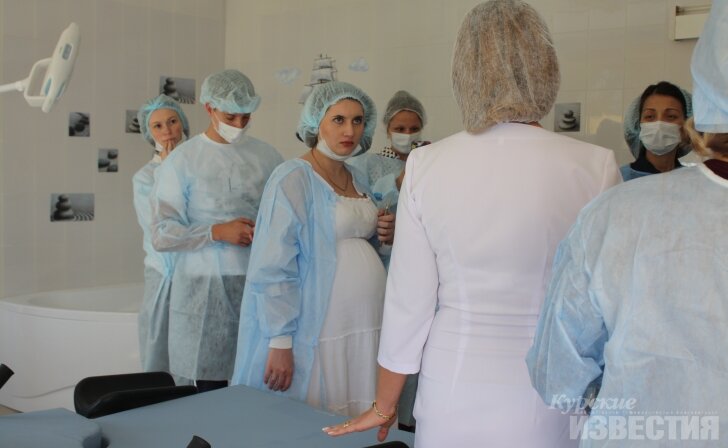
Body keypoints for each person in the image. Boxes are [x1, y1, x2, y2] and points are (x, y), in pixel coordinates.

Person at [324, 1, 621, 447]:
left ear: (464, 71)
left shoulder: (427, 164)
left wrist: (384, 406)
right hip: (551, 387)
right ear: (545, 67)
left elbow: (409, 302)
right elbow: (608, 305)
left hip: (452, 383)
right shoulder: (594, 167)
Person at [526, 2, 728, 445]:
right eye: (650, 116)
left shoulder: (616, 214)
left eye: (671, 115)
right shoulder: (619, 194)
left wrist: (618, 401)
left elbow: (558, 372)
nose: (660, 126)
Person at [231, 81, 395, 417]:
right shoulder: (293, 178)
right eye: (338, 120)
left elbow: (358, 242)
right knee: (321, 414)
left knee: (361, 405)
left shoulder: (358, 179)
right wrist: (280, 341)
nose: (350, 130)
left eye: (358, 120)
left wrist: (384, 234)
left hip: (365, 322)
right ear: (316, 122)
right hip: (320, 325)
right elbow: (273, 266)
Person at [151, 69, 283, 392]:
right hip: (202, 289)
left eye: (245, 117)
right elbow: (162, 233)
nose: (239, 124)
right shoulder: (183, 161)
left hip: (256, 283)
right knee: (207, 387)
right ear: (209, 108)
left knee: (255, 382)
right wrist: (216, 232)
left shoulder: (267, 157)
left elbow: (284, 216)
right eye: (230, 116)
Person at [133, 94, 190, 381]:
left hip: (196, 271)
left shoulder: (198, 168)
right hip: (164, 273)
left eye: (172, 121)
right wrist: (168, 171)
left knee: (192, 350)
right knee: (160, 350)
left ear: (183, 124)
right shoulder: (145, 177)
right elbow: (162, 229)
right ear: (149, 133)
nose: (167, 130)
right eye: (157, 126)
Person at [347, 90, 428, 209]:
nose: (408, 134)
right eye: (400, 129)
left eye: (414, 129)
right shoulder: (367, 164)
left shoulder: (426, 163)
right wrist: (398, 183)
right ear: (387, 130)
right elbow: (359, 207)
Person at [620, 81, 693, 181]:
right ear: (638, 124)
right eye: (650, 116)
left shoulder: (693, 181)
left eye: (671, 116)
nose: (659, 124)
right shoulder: (618, 179)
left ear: (686, 124)